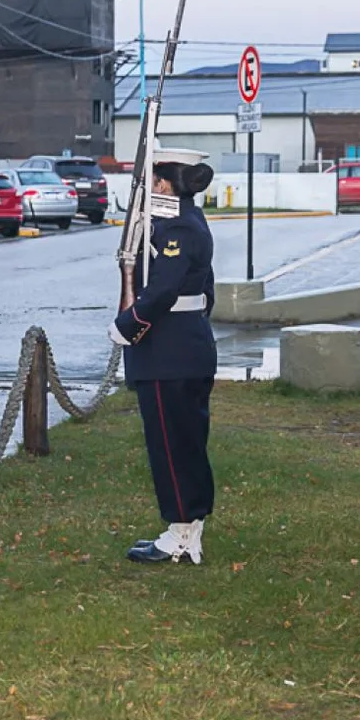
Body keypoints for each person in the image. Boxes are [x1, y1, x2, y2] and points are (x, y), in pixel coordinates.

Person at [109, 146, 218, 566]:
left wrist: (127, 324)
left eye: (154, 178)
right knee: (181, 441)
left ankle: (183, 532)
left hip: (169, 351)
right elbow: (207, 289)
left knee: (173, 446)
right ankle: (185, 526)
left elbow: (164, 290)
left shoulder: (178, 228)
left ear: (165, 182)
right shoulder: (183, 220)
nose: (148, 186)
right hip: (181, 346)